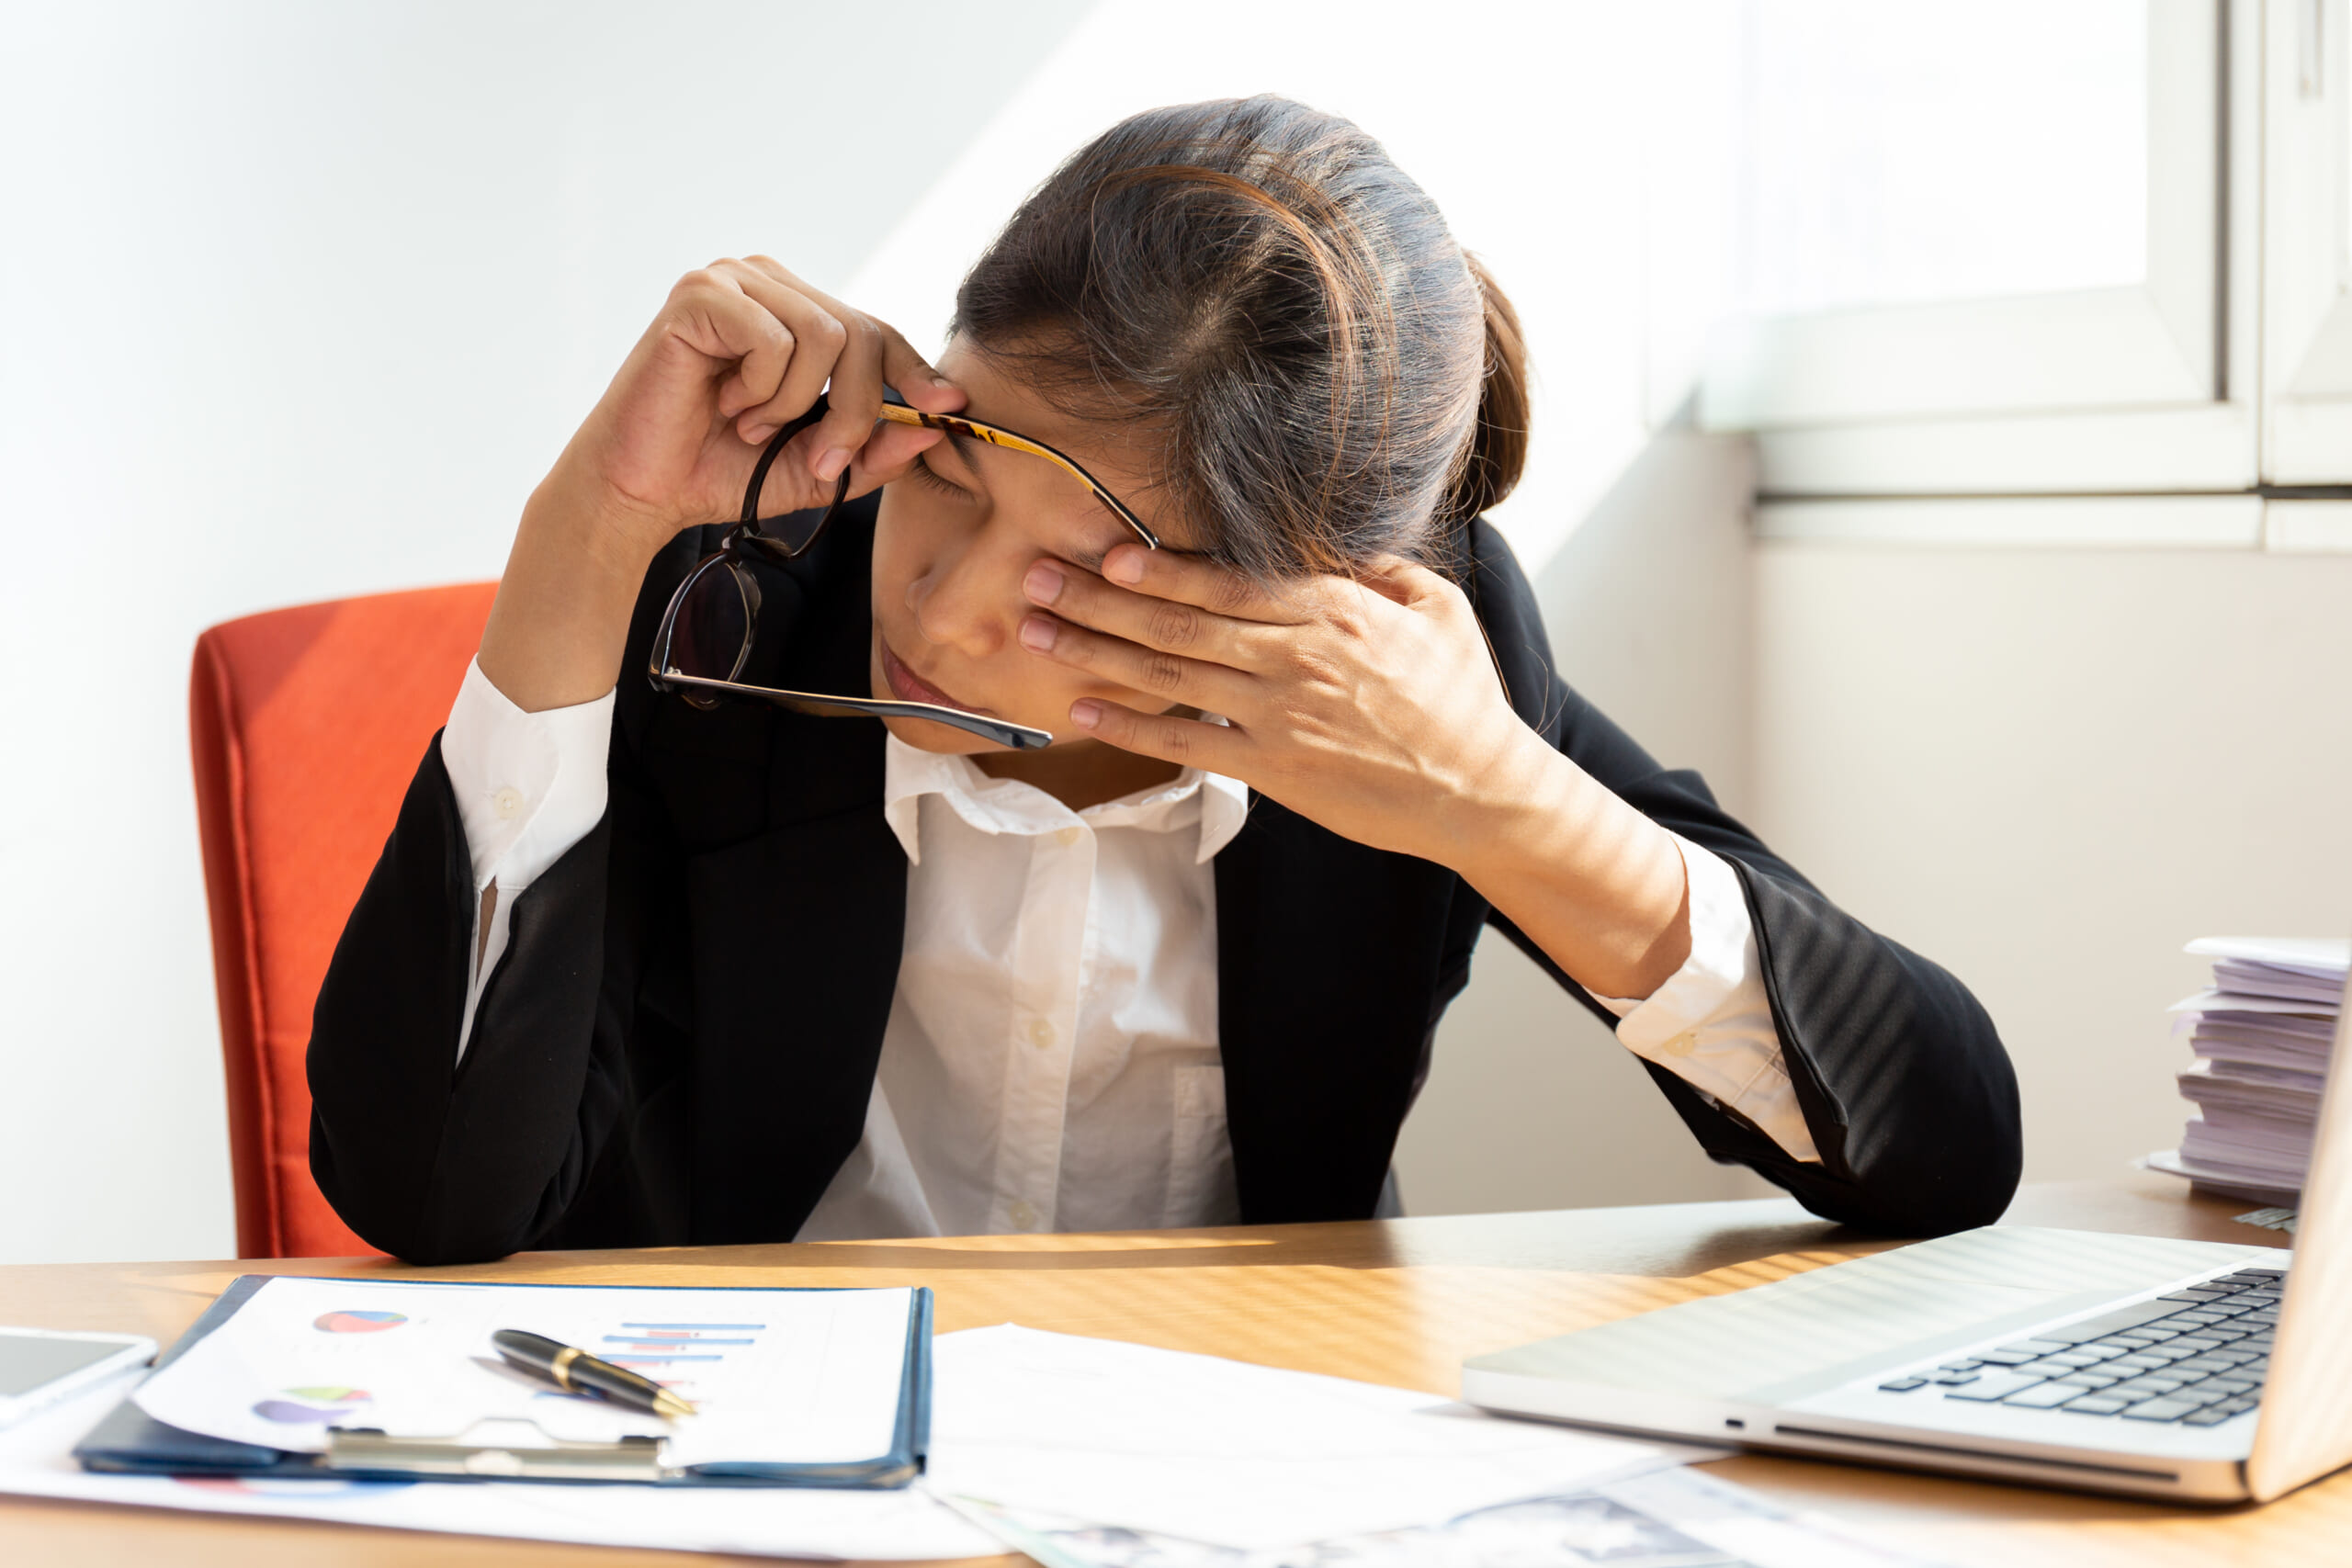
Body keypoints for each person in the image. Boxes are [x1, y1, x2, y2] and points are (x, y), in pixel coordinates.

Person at [308, 96, 2020, 1266]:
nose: (956, 614)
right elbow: (433, 1195)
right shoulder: (744, 600)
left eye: (1085, 576)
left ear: (1318, 611)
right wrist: (581, 540)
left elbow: (1942, 1143)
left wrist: (1498, 800)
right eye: (954, 471)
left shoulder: (1411, 686)